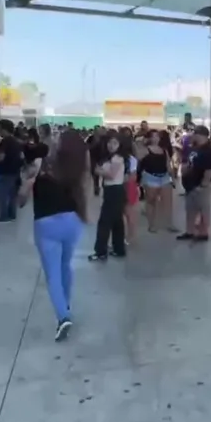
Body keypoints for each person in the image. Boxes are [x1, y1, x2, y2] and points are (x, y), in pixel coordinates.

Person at [19, 131, 89, 341]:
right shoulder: (76, 168)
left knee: (52, 274)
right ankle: (65, 305)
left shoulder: (42, 164)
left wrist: (26, 185)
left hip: (46, 223)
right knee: (65, 265)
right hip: (72, 222)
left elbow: (22, 197)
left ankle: (63, 316)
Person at [179, 126, 211, 243]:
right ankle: (190, 231)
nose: (193, 136)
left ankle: (203, 232)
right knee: (190, 209)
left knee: (203, 209)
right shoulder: (195, 148)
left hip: (201, 185)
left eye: (195, 133)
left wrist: (203, 185)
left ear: (201, 135)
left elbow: (209, 170)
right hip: (191, 184)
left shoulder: (208, 151)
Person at [91, 133, 128, 261]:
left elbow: (111, 175)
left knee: (104, 221)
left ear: (119, 145)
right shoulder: (109, 158)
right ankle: (118, 249)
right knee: (117, 221)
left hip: (114, 190)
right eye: (109, 143)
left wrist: (97, 171)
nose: (111, 146)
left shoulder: (117, 158)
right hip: (113, 190)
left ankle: (101, 251)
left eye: (115, 143)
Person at [0, 119, 24, 222]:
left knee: (1, 195)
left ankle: (3, 216)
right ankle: (12, 214)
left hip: (4, 171)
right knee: (12, 195)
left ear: (4, 129)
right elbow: (21, 156)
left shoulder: (5, 141)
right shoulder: (16, 141)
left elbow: (1, 157)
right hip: (15, 171)